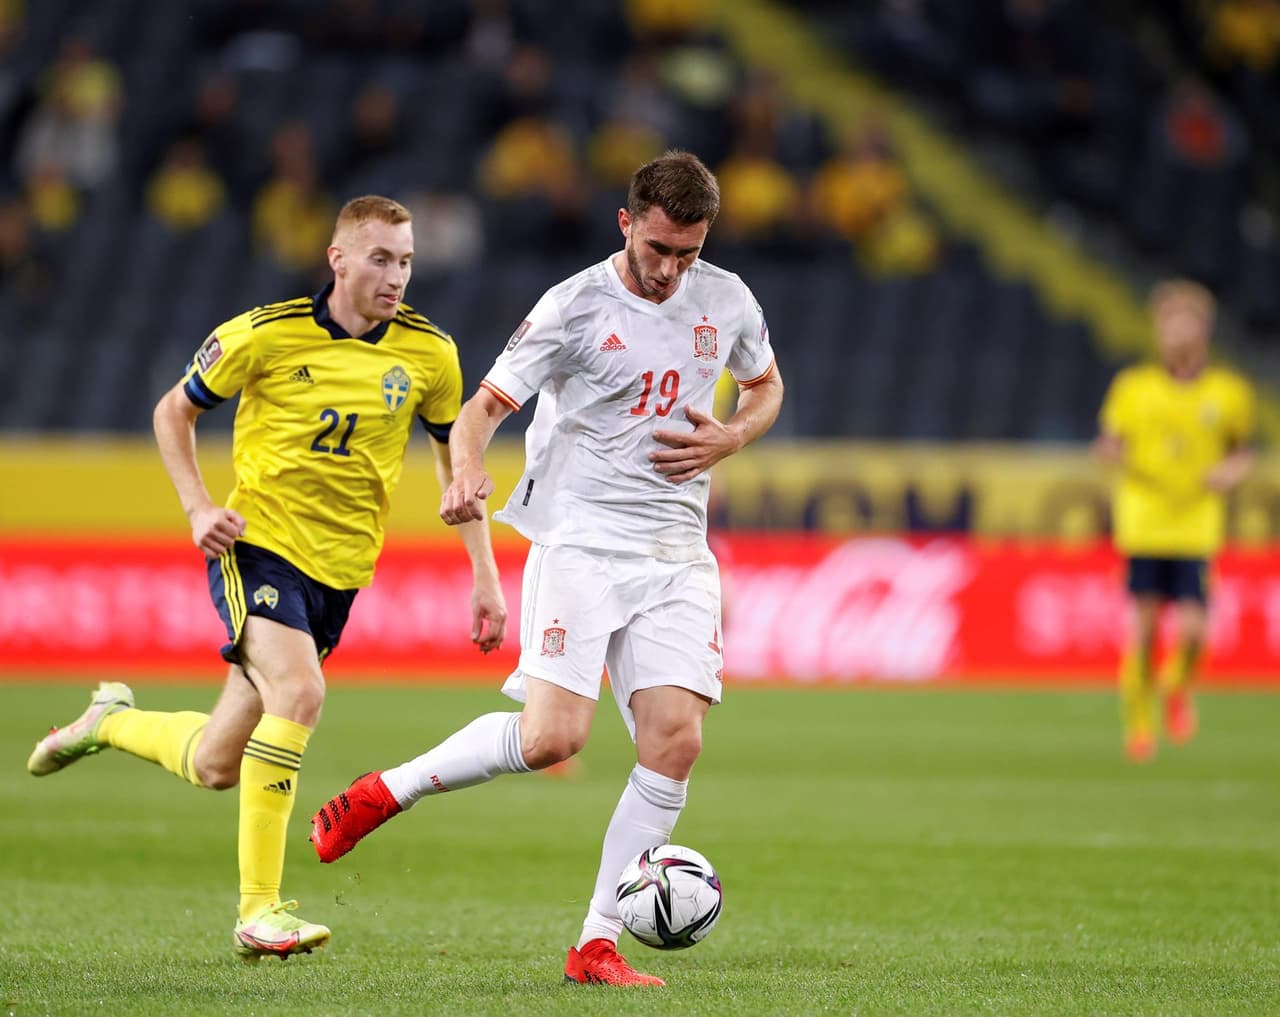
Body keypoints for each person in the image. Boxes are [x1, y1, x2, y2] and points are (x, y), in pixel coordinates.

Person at [309, 151, 784, 986]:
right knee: (552, 736)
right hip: (582, 541)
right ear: (626, 224)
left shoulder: (728, 298)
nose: (673, 270)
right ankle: (388, 788)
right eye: (660, 249)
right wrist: (464, 471)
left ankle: (595, 943)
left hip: (677, 552)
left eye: (690, 253)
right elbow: (482, 408)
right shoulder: (572, 306)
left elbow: (766, 385)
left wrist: (734, 433)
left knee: (676, 741)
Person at [25, 195, 507, 960]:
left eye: (407, 260)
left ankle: (107, 720)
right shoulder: (264, 333)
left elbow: (460, 468)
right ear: (338, 257)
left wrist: (485, 576)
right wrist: (196, 508)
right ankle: (260, 910)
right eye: (380, 258)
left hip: (341, 572)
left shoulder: (429, 353)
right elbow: (171, 413)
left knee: (218, 761)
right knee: (301, 692)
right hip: (258, 547)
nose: (396, 276)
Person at [1095, 279, 1254, 763]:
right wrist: (1109, 453)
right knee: (1142, 628)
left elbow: (1241, 452)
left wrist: (1228, 472)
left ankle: (1176, 684)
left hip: (1195, 522)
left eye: (1186, 321)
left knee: (1194, 630)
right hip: (1144, 520)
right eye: (1168, 322)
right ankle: (1139, 726)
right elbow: (1110, 441)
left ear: (1204, 330)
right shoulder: (1133, 388)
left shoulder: (1228, 392)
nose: (1176, 332)